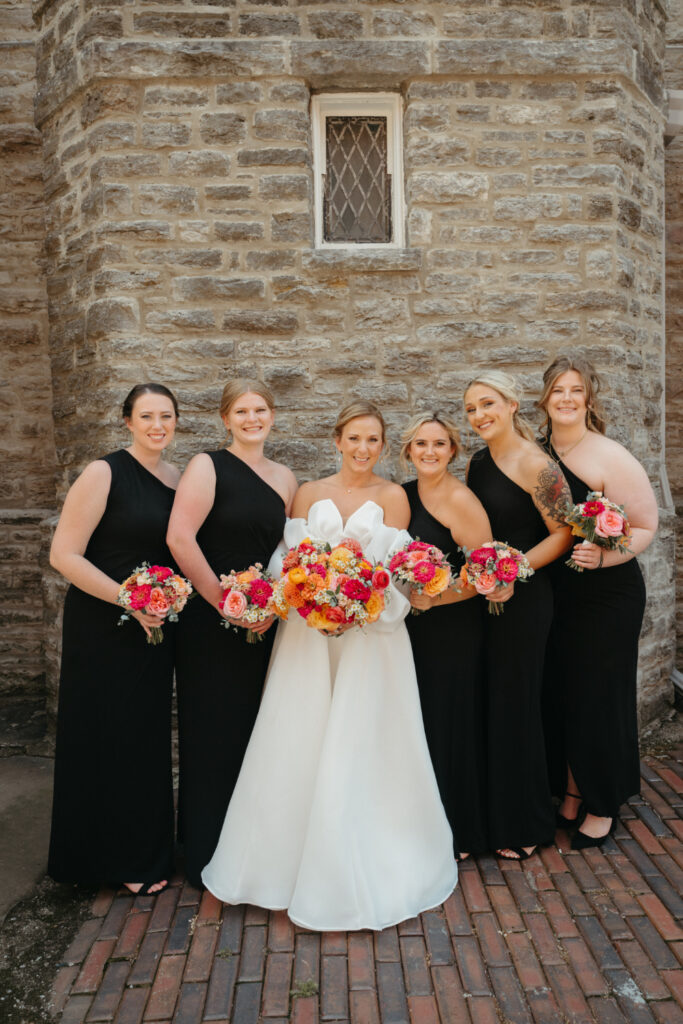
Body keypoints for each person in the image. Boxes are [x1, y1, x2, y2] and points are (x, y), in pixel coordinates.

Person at [202, 401, 458, 931]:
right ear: (337, 440)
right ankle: (277, 867)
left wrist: (356, 606)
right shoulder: (307, 492)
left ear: (384, 447)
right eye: (354, 439)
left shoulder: (393, 497)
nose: (363, 450)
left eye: (373, 441)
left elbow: (391, 572)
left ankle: (361, 859)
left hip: (370, 640)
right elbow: (284, 563)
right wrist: (308, 600)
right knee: (298, 736)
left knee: (361, 740)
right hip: (306, 637)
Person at [48, 383, 181, 895]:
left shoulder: (178, 478)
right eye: (146, 416)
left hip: (155, 627)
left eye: (165, 416)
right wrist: (129, 600)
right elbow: (65, 555)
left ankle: (144, 853)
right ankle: (103, 860)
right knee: (104, 735)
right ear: (127, 421)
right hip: (103, 623)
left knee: (144, 740)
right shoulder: (104, 472)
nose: (157, 426)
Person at [167, 380, 296, 888]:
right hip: (210, 620)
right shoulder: (207, 465)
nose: (251, 418)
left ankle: (253, 850)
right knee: (211, 732)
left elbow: (287, 554)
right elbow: (180, 537)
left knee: (258, 733)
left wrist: (273, 604)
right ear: (225, 419)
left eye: (260, 409)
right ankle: (204, 853)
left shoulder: (285, 477)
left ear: (272, 414)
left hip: (264, 622)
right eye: (241, 411)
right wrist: (225, 601)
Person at [538, 354, 658, 849]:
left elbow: (646, 526)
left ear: (589, 398)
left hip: (606, 594)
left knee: (598, 698)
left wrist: (603, 558)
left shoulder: (610, 456)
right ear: (545, 398)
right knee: (562, 693)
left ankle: (603, 803)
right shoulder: (535, 453)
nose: (567, 399)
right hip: (555, 594)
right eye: (558, 390)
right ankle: (570, 793)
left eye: (576, 390)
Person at [464, 371, 572, 861]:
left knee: (518, 703)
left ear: (511, 405)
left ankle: (527, 821)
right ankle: (489, 813)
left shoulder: (537, 465)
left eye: (488, 404)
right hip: (484, 597)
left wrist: (513, 568)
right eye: (471, 409)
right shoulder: (478, 461)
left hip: (526, 599)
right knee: (490, 699)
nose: (479, 415)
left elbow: (563, 534)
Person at [400, 412, 492, 859]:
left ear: (452, 450)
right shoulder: (401, 495)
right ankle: (415, 824)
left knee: (448, 723)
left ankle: (458, 831)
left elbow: (484, 572)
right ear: (408, 451)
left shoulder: (462, 500)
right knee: (414, 723)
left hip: (453, 628)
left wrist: (437, 599)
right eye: (421, 445)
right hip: (408, 630)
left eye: (439, 444)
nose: (430, 452)